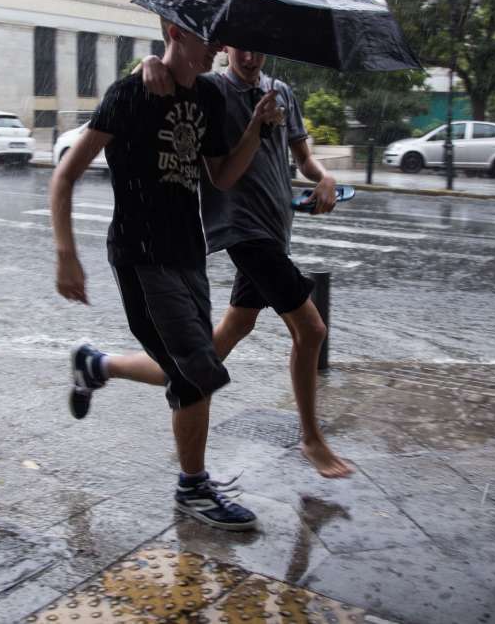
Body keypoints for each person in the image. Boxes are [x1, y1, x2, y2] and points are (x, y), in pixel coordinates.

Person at [70, 47, 353, 479]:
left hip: (277, 230)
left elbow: (303, 157)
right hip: (243, 232)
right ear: (226, 49)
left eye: (260, 50)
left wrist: (324, 178)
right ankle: (311, 439)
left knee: (219, 342)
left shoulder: (283, 94)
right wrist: (146, 61)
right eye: (242, 48)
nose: (252, 58)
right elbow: (163, 77)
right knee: (311, 329)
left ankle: (98, 365)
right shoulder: (214, 89)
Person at [50, 20, 279, 532]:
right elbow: (66, 173)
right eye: (211, 38)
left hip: (189, 254)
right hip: (141, 256)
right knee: (196, 369)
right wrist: (66, 251)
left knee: (189, 364)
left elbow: (220, 175)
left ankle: (95, 366)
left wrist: (256, 129)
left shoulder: (209, 101)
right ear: (175, 31)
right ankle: (193, 488)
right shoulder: (131, 92)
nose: (221, 47)